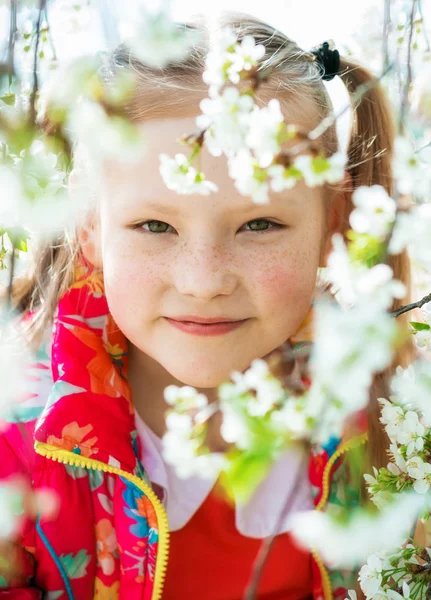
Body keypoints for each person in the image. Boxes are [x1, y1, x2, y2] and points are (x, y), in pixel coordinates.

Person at [0, 11, 415, 600]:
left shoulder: (392, 411)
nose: (203, 281)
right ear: (89, 224)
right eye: (153, 225)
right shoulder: (17, 435)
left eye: (260, 224)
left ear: (333, 223)